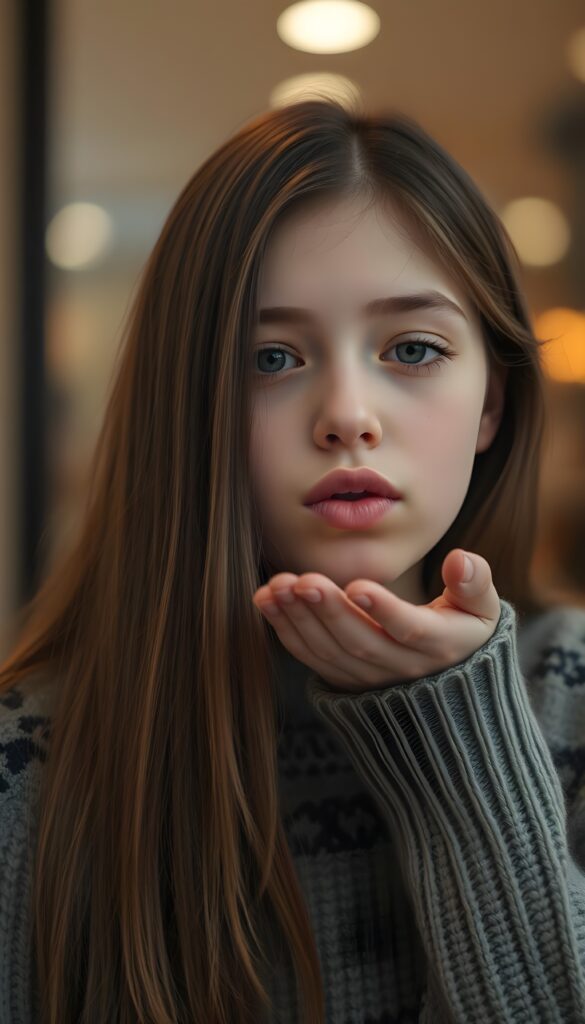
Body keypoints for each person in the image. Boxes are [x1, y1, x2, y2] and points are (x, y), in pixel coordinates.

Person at [1, 98, 585, 1024]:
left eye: (414, 348)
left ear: (491, 406)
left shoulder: (570, 691)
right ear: (187, 407)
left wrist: (461, 738)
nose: (346, 414)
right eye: (270, 358)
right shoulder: (31, 761)